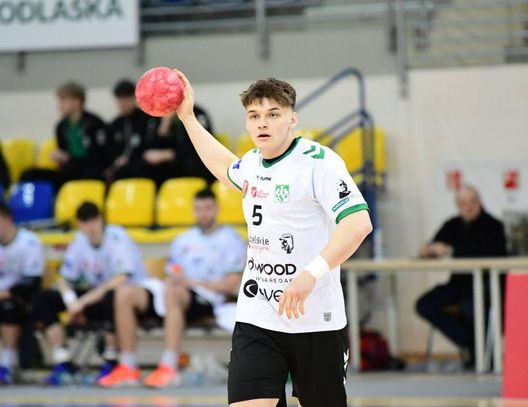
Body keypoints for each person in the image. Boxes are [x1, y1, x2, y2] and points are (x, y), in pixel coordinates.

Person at [172, 72, 373, 407]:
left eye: (273, 114)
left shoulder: (319, 163)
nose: (262, 123)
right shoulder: (251, 164)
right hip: (258, 316)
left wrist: (310, 274)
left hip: (316, 321)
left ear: (292, 119)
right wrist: (188, 118)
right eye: (254, 116)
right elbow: (224, 166)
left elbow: (358, 224)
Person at [98, 188, 246, 388]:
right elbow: (171, 272)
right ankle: (127, 366)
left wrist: (193, 283)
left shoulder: (231, 239)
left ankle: (168, 367)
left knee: (173, 294)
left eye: (207, 208)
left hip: (207, 298)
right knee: (124, 294)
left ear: (217, 209)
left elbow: (231, 284)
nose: (203, 214)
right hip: (174, 291)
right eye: (198, 209)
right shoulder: (183, 239)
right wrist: (172, 280)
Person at [33, 202, 153, 385]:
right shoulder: (79, 241)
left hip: (127, 300)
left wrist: (83, 302)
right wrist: (71, 301)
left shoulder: (117, 237)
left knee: (112, 295)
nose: (90, 227)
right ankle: (62, 360)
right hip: (93, 298)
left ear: (100, 220)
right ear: (79, 224)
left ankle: (112, 360)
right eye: (84, 222)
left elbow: (120, 279)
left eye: (93, 221)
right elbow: (64, 279)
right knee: (44, 298)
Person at [415, 185, 507, 367]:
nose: (469, 206)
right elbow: (435, 245)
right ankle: (468, 342)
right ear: (458, 206)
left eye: (473, 201)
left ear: (480, 203)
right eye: (463, 203)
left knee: (469, 307)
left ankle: (479, 353)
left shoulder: (493, 225)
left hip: (486, 285)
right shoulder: (452, 225)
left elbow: (489, 252)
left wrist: (452, 250)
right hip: (458, 284)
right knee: (424, 304)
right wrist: (428, 250)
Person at [0, 203, 44, 384]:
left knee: (8, 307)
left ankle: (6, 365)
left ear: (7, 220)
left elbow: (32, 281)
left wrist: (7, 293)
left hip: (21, 298)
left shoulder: (29, 242)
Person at [51, 82, 109, 185]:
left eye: (63, 101)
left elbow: (100, 156)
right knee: (32, 174)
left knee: (88, 173)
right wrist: (59, 157)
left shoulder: (95, 123)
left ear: (77, 101)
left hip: (90, 169)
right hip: (70, 168)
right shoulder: (61, 126)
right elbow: (62, 152)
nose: (59, 105)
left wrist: (69, 159)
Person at [105, 80, 161, 184]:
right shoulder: (114, 125)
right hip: (121, 170)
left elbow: (150, 145)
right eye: (120, 99)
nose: (123, 103)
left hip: (141, 167)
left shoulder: (147, 120)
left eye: (126, 99)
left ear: (134, 98)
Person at [157, 106, 215, 184]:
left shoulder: (198, 113)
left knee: (191, 164)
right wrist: (165, 125)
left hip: (194, 161)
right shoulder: (161, 114)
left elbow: (204, 145)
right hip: (174, 163)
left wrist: (174, 154)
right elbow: (157, 145)